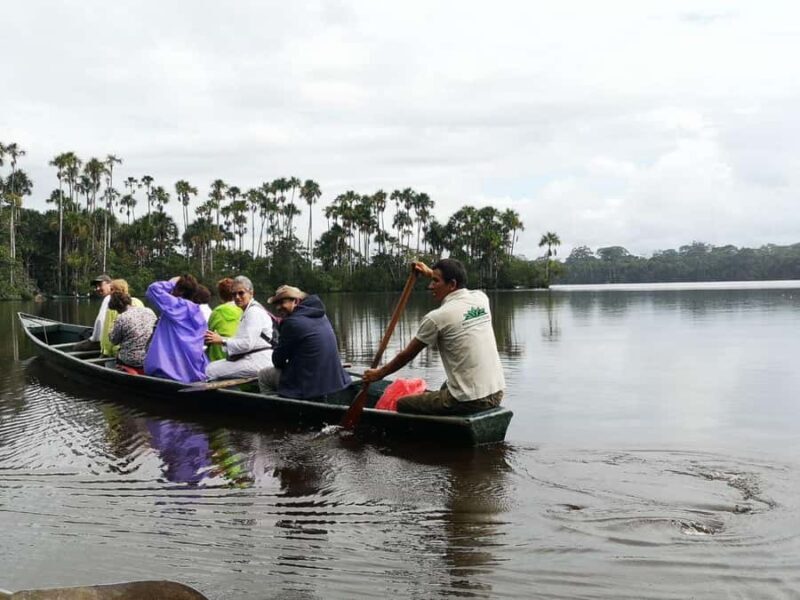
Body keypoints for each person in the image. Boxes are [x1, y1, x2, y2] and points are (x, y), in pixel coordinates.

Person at [363, 259, 505, 415]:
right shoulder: (481, 299)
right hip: (496, 392)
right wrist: (429, 272)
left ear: (451, 285)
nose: (430, 286)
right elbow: (459, 284)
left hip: (470, 400)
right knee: (446, 386)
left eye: (435, 281)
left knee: (402, 404)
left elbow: (406, 356)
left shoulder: (437, 318)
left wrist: (379, 374)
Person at [258, 285, 351, 399]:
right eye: (276, 304)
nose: (278, 307)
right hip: (334, 381)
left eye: (282, 302)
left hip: (308, 385)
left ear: (296, 301)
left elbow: (278, 361)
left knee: (263, 375)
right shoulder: (321, 315)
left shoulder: (291, 323)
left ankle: (277, 408)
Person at [204, 275, 276, 380]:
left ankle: (226, 395)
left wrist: (222, 340)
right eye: (234, 294)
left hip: (258, 361)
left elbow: (247, 344)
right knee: (213, 366)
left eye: (241, 293)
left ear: (251, 293)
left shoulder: (253, 312)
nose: (237, 297)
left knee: (210, 370)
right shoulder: (248, 310)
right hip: (254, 358)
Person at [144, 275, 209, 383]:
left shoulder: (175, 305)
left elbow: (153, 289)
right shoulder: (199, 313)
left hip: (168, 373)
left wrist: (171, 283)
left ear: (180, 291)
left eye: (174, 289)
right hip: (193, 373)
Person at [108, 291, 157, 372]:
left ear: (117, 308)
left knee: (118, 354)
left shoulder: (122, 318)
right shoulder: (149, 311)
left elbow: (114, 341)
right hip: (150, 357)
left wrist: (111, 329)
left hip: (131, 361)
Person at [100, 279, 144, 357]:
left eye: (111, 289)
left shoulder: (112, 307)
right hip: (143, 349)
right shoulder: (138, 302)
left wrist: (105, 351)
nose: (110, 291)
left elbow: (108, 333)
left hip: (121, 351)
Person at [206, 278, 243, 362]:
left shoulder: (216, 311)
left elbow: (209, 332)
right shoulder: (243, 309)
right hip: (239, 352)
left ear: (220, 294)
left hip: (219, 355)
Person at [72, 274, 112, 351]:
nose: (97, 288)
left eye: (100, 285)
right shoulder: (121, 297)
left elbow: (100, 321)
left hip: (106, 341)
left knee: (76, 348)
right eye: (96, 287)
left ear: (109, 284)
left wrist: (93, 339)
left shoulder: (108, 299)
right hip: (115, 339)